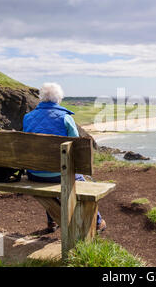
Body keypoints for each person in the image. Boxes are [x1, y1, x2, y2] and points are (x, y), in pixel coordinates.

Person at [23, 82, 106, 233]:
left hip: (34, 174)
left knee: (47, 164)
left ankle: (52, 221)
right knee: (76, 178)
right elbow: (77, 147)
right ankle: (98, 222)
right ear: (59, 99)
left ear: (41, 98)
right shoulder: (66, 118)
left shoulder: (27, 118)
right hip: (60, 175)